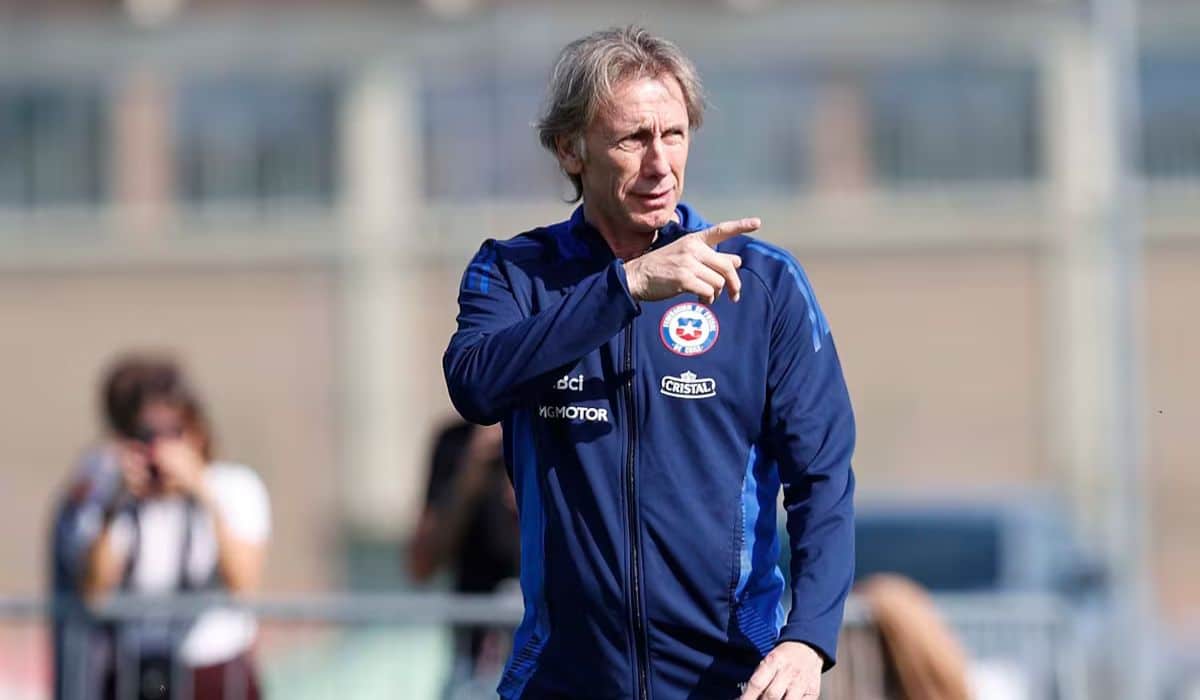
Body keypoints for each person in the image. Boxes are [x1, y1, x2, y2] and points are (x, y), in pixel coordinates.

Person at [443, 26, 856, 700]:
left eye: (674, 135)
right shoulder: (515, 272)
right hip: (562, 682)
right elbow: (475, 384)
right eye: (633, 140)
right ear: (570, 149)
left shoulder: (765, 284)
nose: (660, 164)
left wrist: (807, 639)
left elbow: (823, 479)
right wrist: (626, 287)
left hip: (730, 682)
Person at [71, 354, 271, 700]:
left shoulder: (233, 487)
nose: (161, 449)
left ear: (197, 432)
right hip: (142, 669)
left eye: (174, 433)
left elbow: (244, 584)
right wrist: (116, 502)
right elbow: (93, 593)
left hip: (215, 667)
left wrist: (202, 493)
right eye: (149, 435)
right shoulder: (115, 494)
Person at [408, 420, 520, 698]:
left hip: (547, 661)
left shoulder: (561, 429)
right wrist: (471, 471)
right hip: (473, 667)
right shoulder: (456, 443)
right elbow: (421, 566)